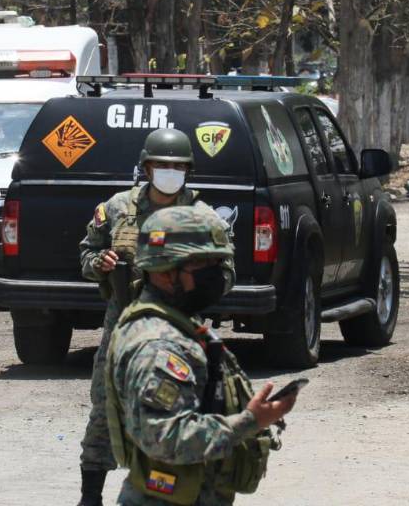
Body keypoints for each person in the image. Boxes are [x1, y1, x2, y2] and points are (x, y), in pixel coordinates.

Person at [106, 204, 295, 505]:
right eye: (204, 264)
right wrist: (249, 421)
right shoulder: (159, 345)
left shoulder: (176, 324)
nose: (215, 274)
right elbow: (164, 437)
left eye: (218, 262)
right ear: (167, 272)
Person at [76, 128, 201, 506]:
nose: (169, 171)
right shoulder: (116, 208)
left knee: (169, 412)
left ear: (187, 171)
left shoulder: (199, 215)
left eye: (177, 166)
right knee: (104, 408)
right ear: (146, 168)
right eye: (161, 165)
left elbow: (226, 273)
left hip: (173, 329)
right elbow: (86, 253)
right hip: (122, 325)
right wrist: (100, 263)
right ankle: (90, 496)